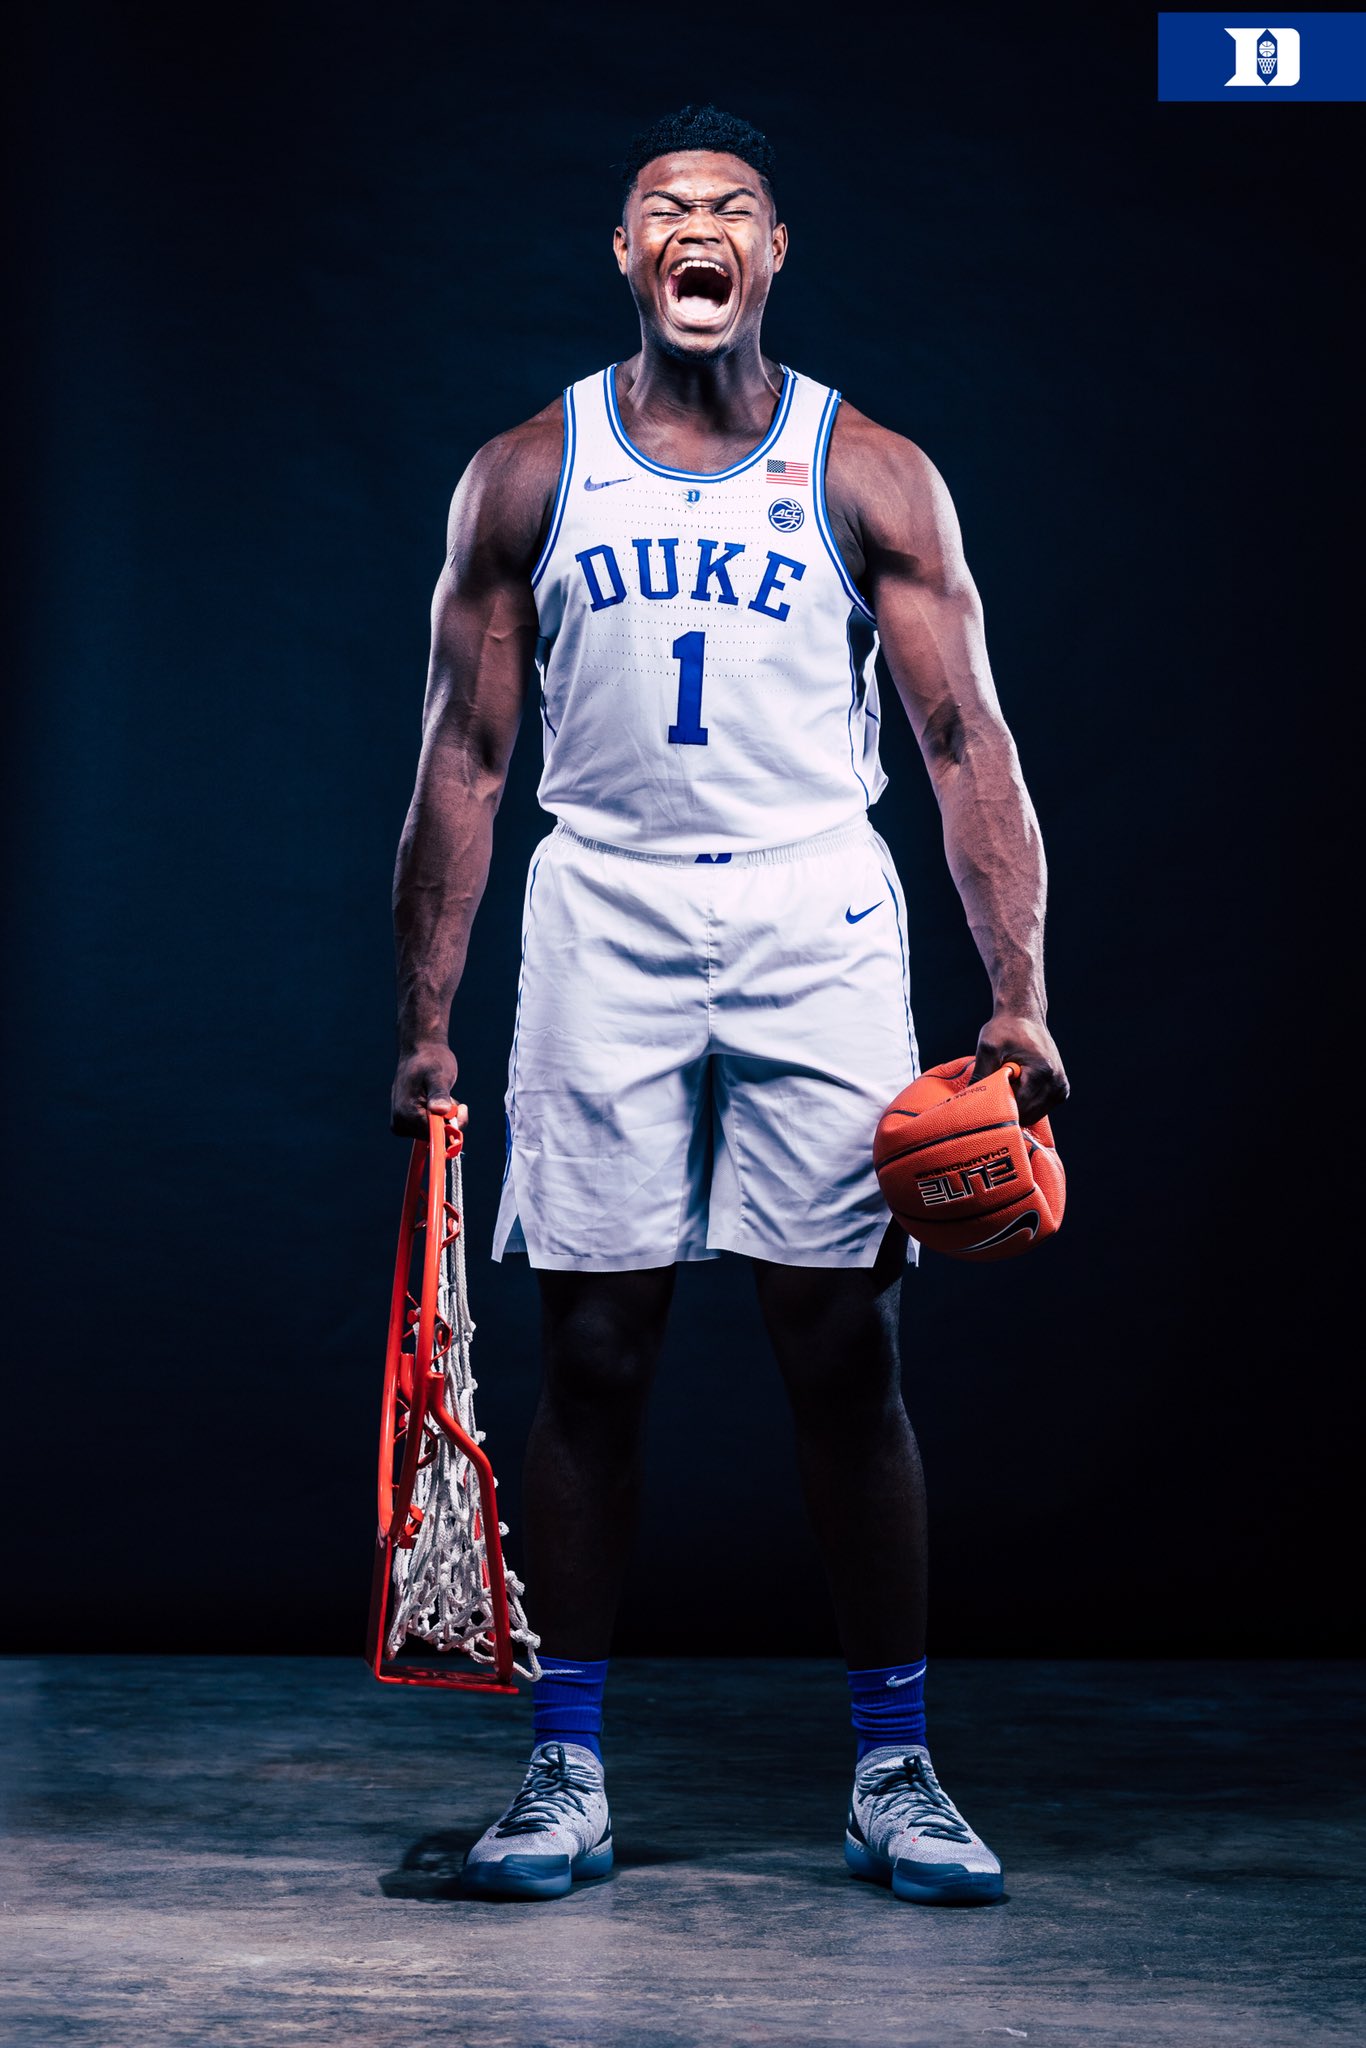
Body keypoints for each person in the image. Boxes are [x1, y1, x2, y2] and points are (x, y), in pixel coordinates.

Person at [390, 103, 1067, 1907]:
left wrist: (1017, 991)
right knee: (594, 1351)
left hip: (810, 907)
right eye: (664, 207)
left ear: (771, 254)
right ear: (626, 254)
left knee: (841, 1347)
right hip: (601, 903)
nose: (698, 227)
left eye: (733, 207)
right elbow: (465, 755)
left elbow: (959, 738)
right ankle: (564, 1768)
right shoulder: (527, 471)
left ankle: (894, 1768)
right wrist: (427, 1018)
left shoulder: (871, 471)